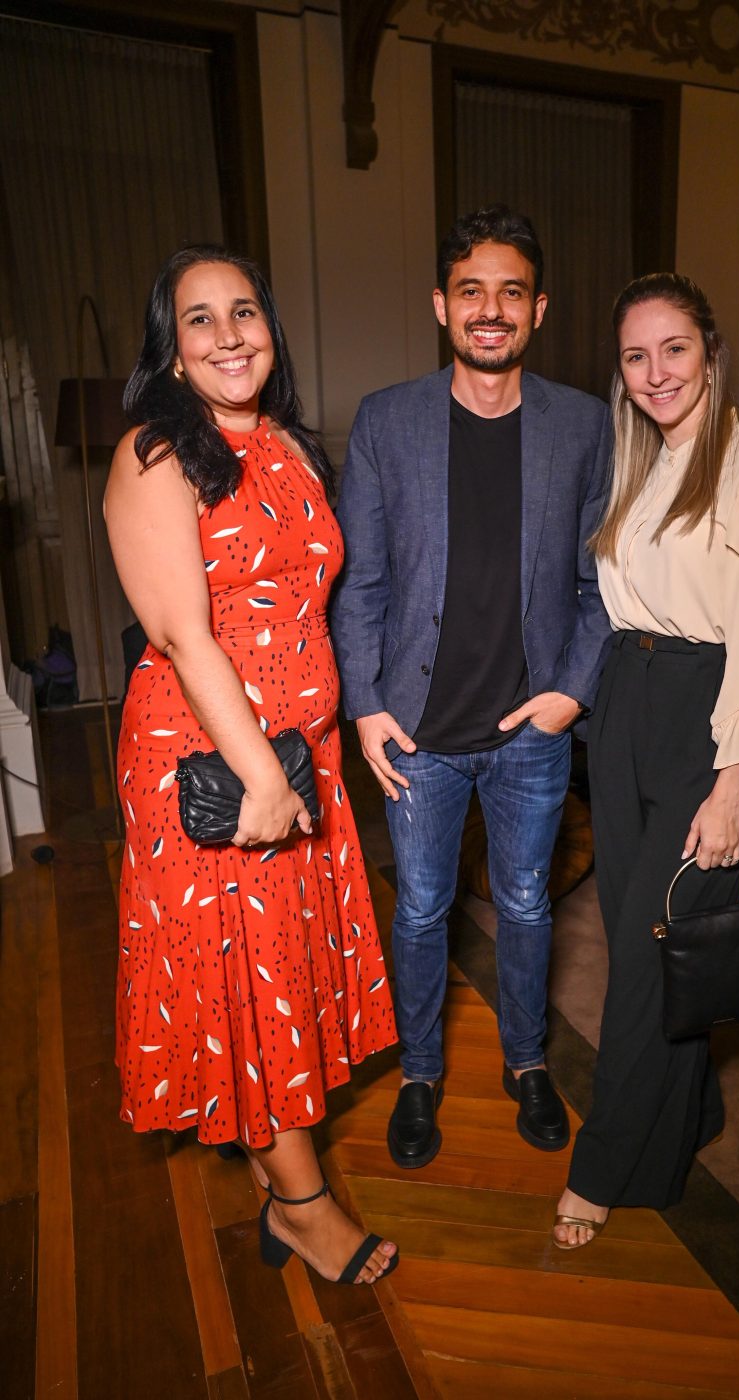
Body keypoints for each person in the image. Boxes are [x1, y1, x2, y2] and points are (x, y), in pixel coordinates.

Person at [104, 245, 398, 1285]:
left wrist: (326, 740)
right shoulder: (155, 452)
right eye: (199, 318)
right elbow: (184, 632)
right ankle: (305, 1207)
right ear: (172, 351)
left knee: (282, 977)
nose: (229, 333)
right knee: (246, 985)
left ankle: (285, 1185)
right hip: (216, 764)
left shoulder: (282, 442)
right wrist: (264, 780)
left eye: (245, 312)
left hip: (298, 755)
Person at [330, 206, 612, 1169]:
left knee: (529, 906)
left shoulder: (583, 424)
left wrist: (571, 692)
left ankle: (528, 1063)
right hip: (415, 733)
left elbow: (599, 583)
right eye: (470, 290)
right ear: (439, 305)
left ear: (539, 308)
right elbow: (359, 582)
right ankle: (420, 1075)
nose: (489, 310)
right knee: (418, 911)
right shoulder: (385, 419)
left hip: (531, 731)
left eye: (510, 291)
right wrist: (364, 705)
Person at [553, 273, 739, 1247]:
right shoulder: (640, 463)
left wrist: (734, 781)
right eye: (635, 354)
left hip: (713, 725)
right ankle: (688, 1114)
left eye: (673, 348)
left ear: (709, 351)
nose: (656, 371)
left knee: (646, 958)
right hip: (629, 707)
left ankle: (606, 1163)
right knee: (643, 942)